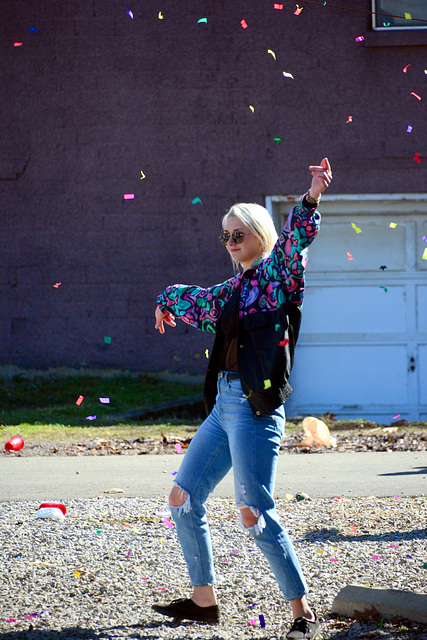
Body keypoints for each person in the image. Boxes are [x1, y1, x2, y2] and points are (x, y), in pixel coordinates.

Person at [152, 158, 332, 640]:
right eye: (226, 236)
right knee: (182, 498)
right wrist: (164, 299)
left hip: (256, 410)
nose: (231, 242)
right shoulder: (231, 291)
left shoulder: (279, 276)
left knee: (254, 514)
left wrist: (311, 196)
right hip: (222, 407)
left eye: (239, 234)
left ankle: (302, 613)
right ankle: (203, 601)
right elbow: (196, 300)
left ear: (259, 235)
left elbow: (297, 240)